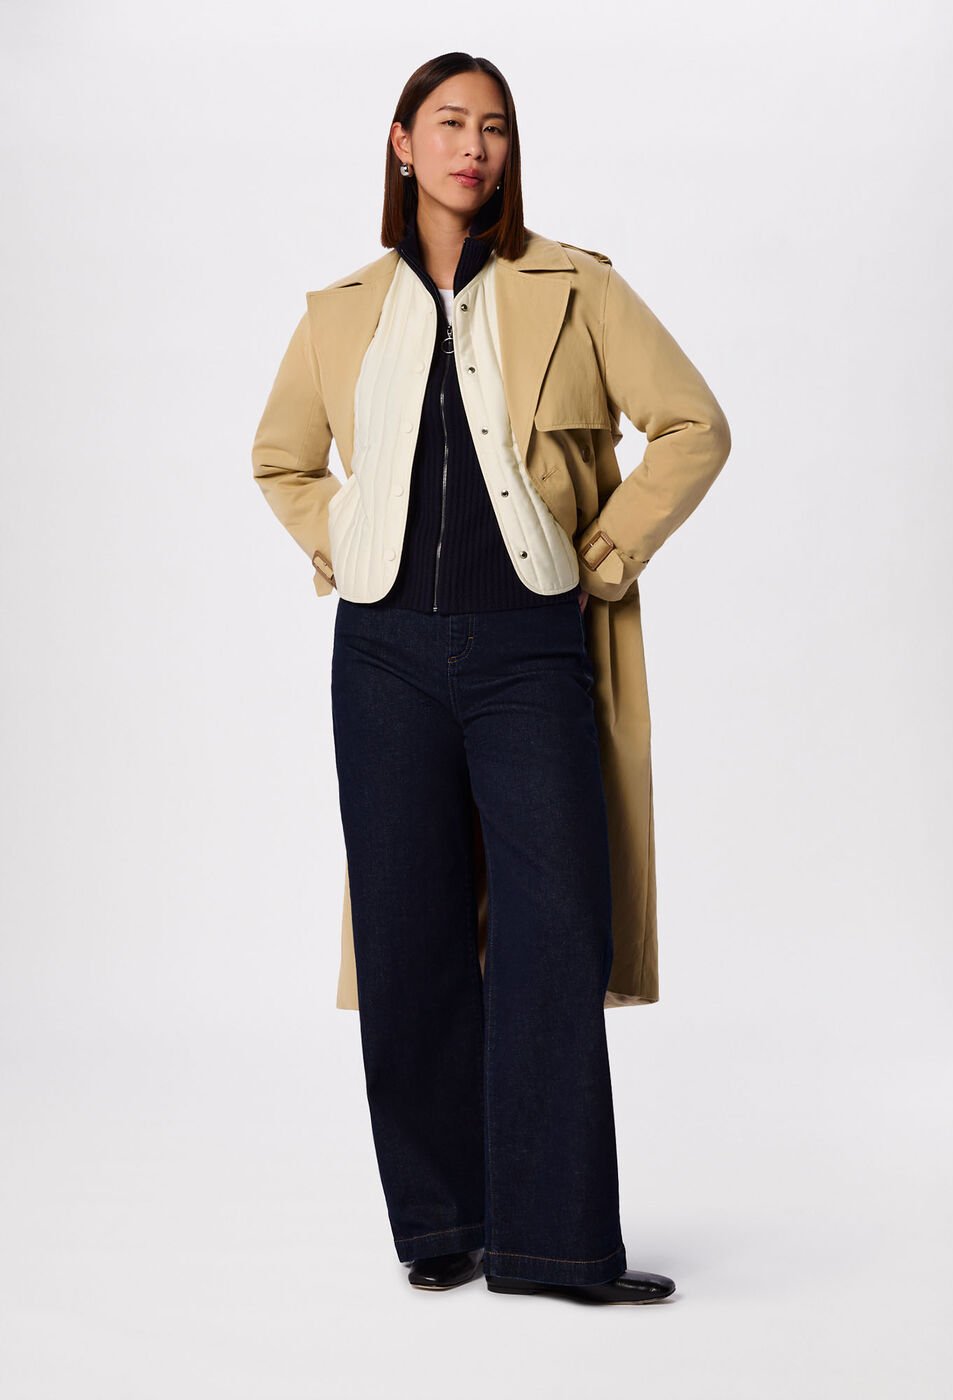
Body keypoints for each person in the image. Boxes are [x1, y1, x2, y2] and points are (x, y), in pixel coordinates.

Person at [251, 53, 732, 1306]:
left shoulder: (576, 285)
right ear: (402, 143)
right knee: (407, 936)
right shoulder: (341, 310)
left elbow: (694, 423)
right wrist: (345, 541)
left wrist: (604, 558)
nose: (475, 146)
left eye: (497, 127)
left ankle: (556, 1244)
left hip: (529, 646)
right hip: (384, 655)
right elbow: (282, 458)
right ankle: (444, 1222)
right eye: (452, 123)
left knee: (552, 932)